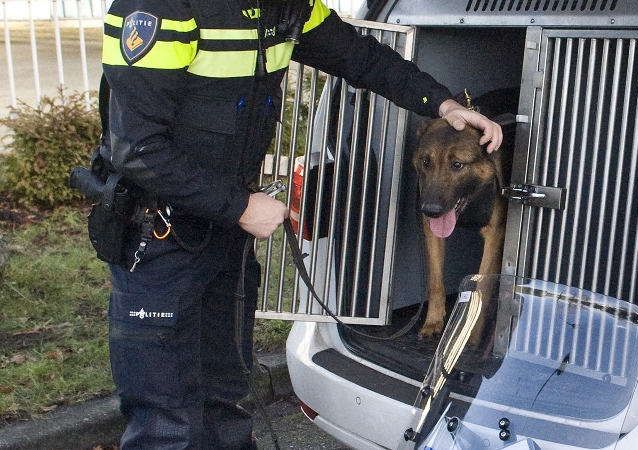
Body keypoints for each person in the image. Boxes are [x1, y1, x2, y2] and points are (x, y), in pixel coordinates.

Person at [100, 0, 503, 448]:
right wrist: (240, 206)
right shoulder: (159, 7)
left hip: (224, 236)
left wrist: (445, 104)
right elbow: (138, 149)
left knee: (225, 403)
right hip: (159, 238)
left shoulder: (287, 6)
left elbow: (363, 58)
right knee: (165, 424)